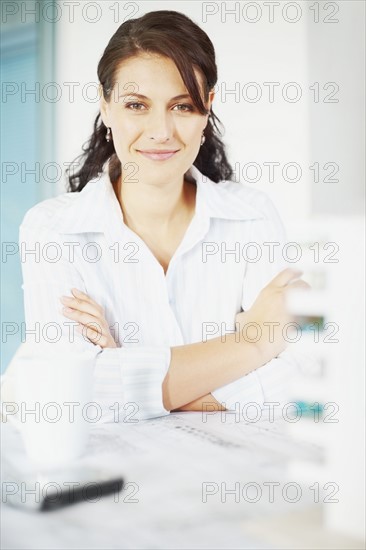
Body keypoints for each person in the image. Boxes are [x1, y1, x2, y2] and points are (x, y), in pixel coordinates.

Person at [18, 10, 308, 420]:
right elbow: (66, 396)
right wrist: (254, 345)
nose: (161, 132)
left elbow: (303, 375)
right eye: (137, 105)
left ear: (207, 108)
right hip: (110, 480)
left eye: (182, 106)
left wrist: (124, 374)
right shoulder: (54, 229)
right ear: (105, 106)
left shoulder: (251, 215)